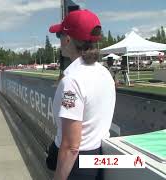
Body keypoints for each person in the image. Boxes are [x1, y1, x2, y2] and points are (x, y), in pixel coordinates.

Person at [46, 9, 116, 180]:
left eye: (59, 36)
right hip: (98, 158)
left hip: (77, 164)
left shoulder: (73, 80)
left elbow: (71, 146)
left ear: (67, 39)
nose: (60, 40)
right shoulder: (104, 72)